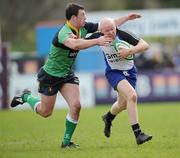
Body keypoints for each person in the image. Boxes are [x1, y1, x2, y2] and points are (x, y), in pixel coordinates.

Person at [10, 3, 142, 148]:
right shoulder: (63, 33)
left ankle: (66, 143)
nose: (85, 18)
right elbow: (75, 45)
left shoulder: (84, 27)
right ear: (73, 17)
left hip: (66, 74)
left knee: (76, 106)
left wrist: (127, 18)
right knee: (45, 112)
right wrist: (97, 41)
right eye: (82, 15)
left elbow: (108, 26)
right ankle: (25, 96)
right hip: (50, 75)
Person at [88, 17, 152, 145]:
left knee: (122, 104)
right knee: (132, 96)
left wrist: (130, 51)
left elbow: (145, 45)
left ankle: (108, 117)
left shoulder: (123, 34)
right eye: (107, 30)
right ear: (101, 31)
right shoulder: (98, 37)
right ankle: (138, 134)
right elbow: (79, 44)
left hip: (130, 72)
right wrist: (93, 41)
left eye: (112, 29)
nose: (111, 32)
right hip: (114, 72)